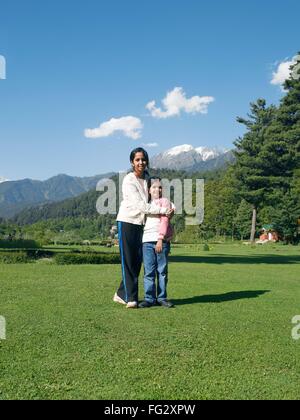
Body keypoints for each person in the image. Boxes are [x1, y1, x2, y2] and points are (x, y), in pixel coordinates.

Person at [113, 148, 173, 309]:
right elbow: (140, 205)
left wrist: (169, 208)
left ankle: (120, 293)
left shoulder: (147, 179)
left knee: (137, 262)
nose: (141, 162)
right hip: (127, 222)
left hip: (142, 225)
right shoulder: (129, 180)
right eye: (137, 159)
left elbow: (156, 198)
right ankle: (131, 298)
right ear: (132, 162)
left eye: (143, 159)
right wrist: (162, 211)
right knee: (128, 260)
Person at [139, 177, 174, 309]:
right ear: (148, 190)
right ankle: (149, 299)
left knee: (162, 271)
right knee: (148, 271)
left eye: (159, 187)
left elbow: (165, 220)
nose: (157, 189)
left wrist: (160, 238)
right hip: (147, 240)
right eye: (154, 187)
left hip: (161, 241)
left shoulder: (165, 201)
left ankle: (162, 298)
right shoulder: (145, 203)